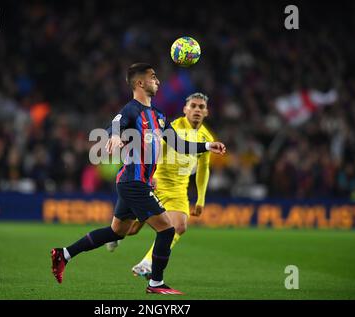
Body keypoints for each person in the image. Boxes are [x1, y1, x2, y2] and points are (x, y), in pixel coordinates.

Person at [50, 63, 226, 295]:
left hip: (133, 183)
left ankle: (64, 254)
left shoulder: (159, 116)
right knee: (167, 230)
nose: (158, 81)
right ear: (140, 83)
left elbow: (179, 145)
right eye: (153, 77)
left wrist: (206, 145)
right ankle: (156, 283)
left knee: (117, 232)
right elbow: (115, 122)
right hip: (133, 182)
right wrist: (114, 137)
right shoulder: (132, 109)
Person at [106, 92, 214, 279]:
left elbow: (204, 169)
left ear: (207, 112)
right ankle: (114, 236)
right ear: (185, 109)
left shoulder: (207, 137)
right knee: (129, 230)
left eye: (201, 107)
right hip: (154, 184)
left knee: (179, 226)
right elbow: (150, 148)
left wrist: (201, 198)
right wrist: (150, 175)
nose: (197, 109)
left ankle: (146, 263)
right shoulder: (172, 127)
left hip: (178, 191)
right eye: (193, 106)